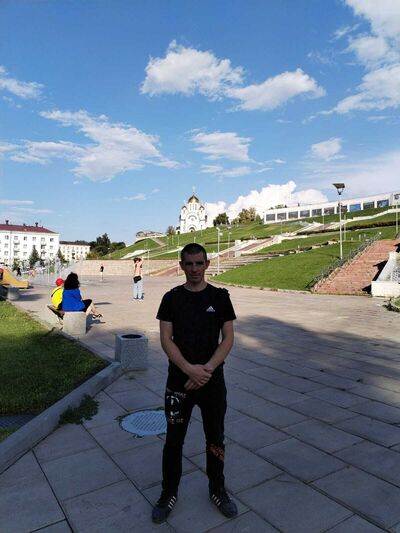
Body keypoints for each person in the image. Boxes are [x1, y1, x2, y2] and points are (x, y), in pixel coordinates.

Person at [152, 243, 237, 524]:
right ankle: (168, 492)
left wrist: (206, 370)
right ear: (181, 266)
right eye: (188, 264)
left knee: (215, 438)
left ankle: (217, 489)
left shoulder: (220, 297)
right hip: (179, 383)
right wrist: (189, 369)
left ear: (207, 264)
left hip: (212, 382)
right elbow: (166, 339)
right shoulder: (171, 298)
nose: (194, 269)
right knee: (174, 440)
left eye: (199, 263)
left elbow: (228, 338)